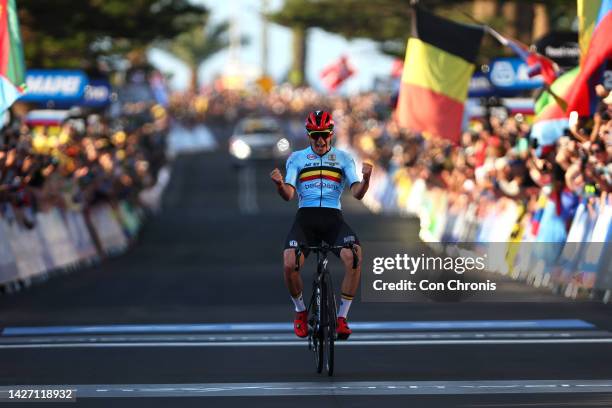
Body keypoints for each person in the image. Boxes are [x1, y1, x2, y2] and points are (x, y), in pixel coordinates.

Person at [270, 110, 373, 340]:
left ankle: (342, 318)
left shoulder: (344, 158)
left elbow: (356, 194)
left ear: (331, 134)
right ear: (308, 134)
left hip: (332, 219)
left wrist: (366, 180)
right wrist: (279, 185)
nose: (320, 140)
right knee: (289, 263)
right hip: (305, 219)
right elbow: (288, 195)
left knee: (355, 255)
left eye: (324, 135)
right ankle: (300, 312)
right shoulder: (296, 158)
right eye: (315, 135)